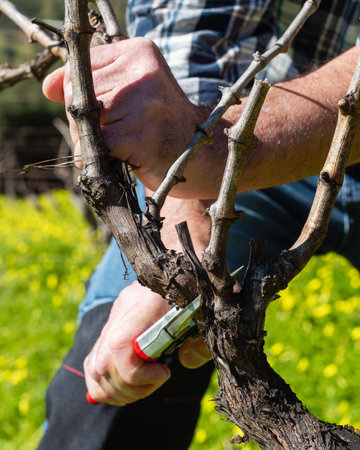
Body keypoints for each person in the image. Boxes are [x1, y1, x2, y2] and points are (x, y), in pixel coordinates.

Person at [38, 0, 360, 448]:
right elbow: (194, 44)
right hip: (268, 151)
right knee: (124, 361)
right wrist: (182, 246)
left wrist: (211, 155)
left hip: (262, 139)